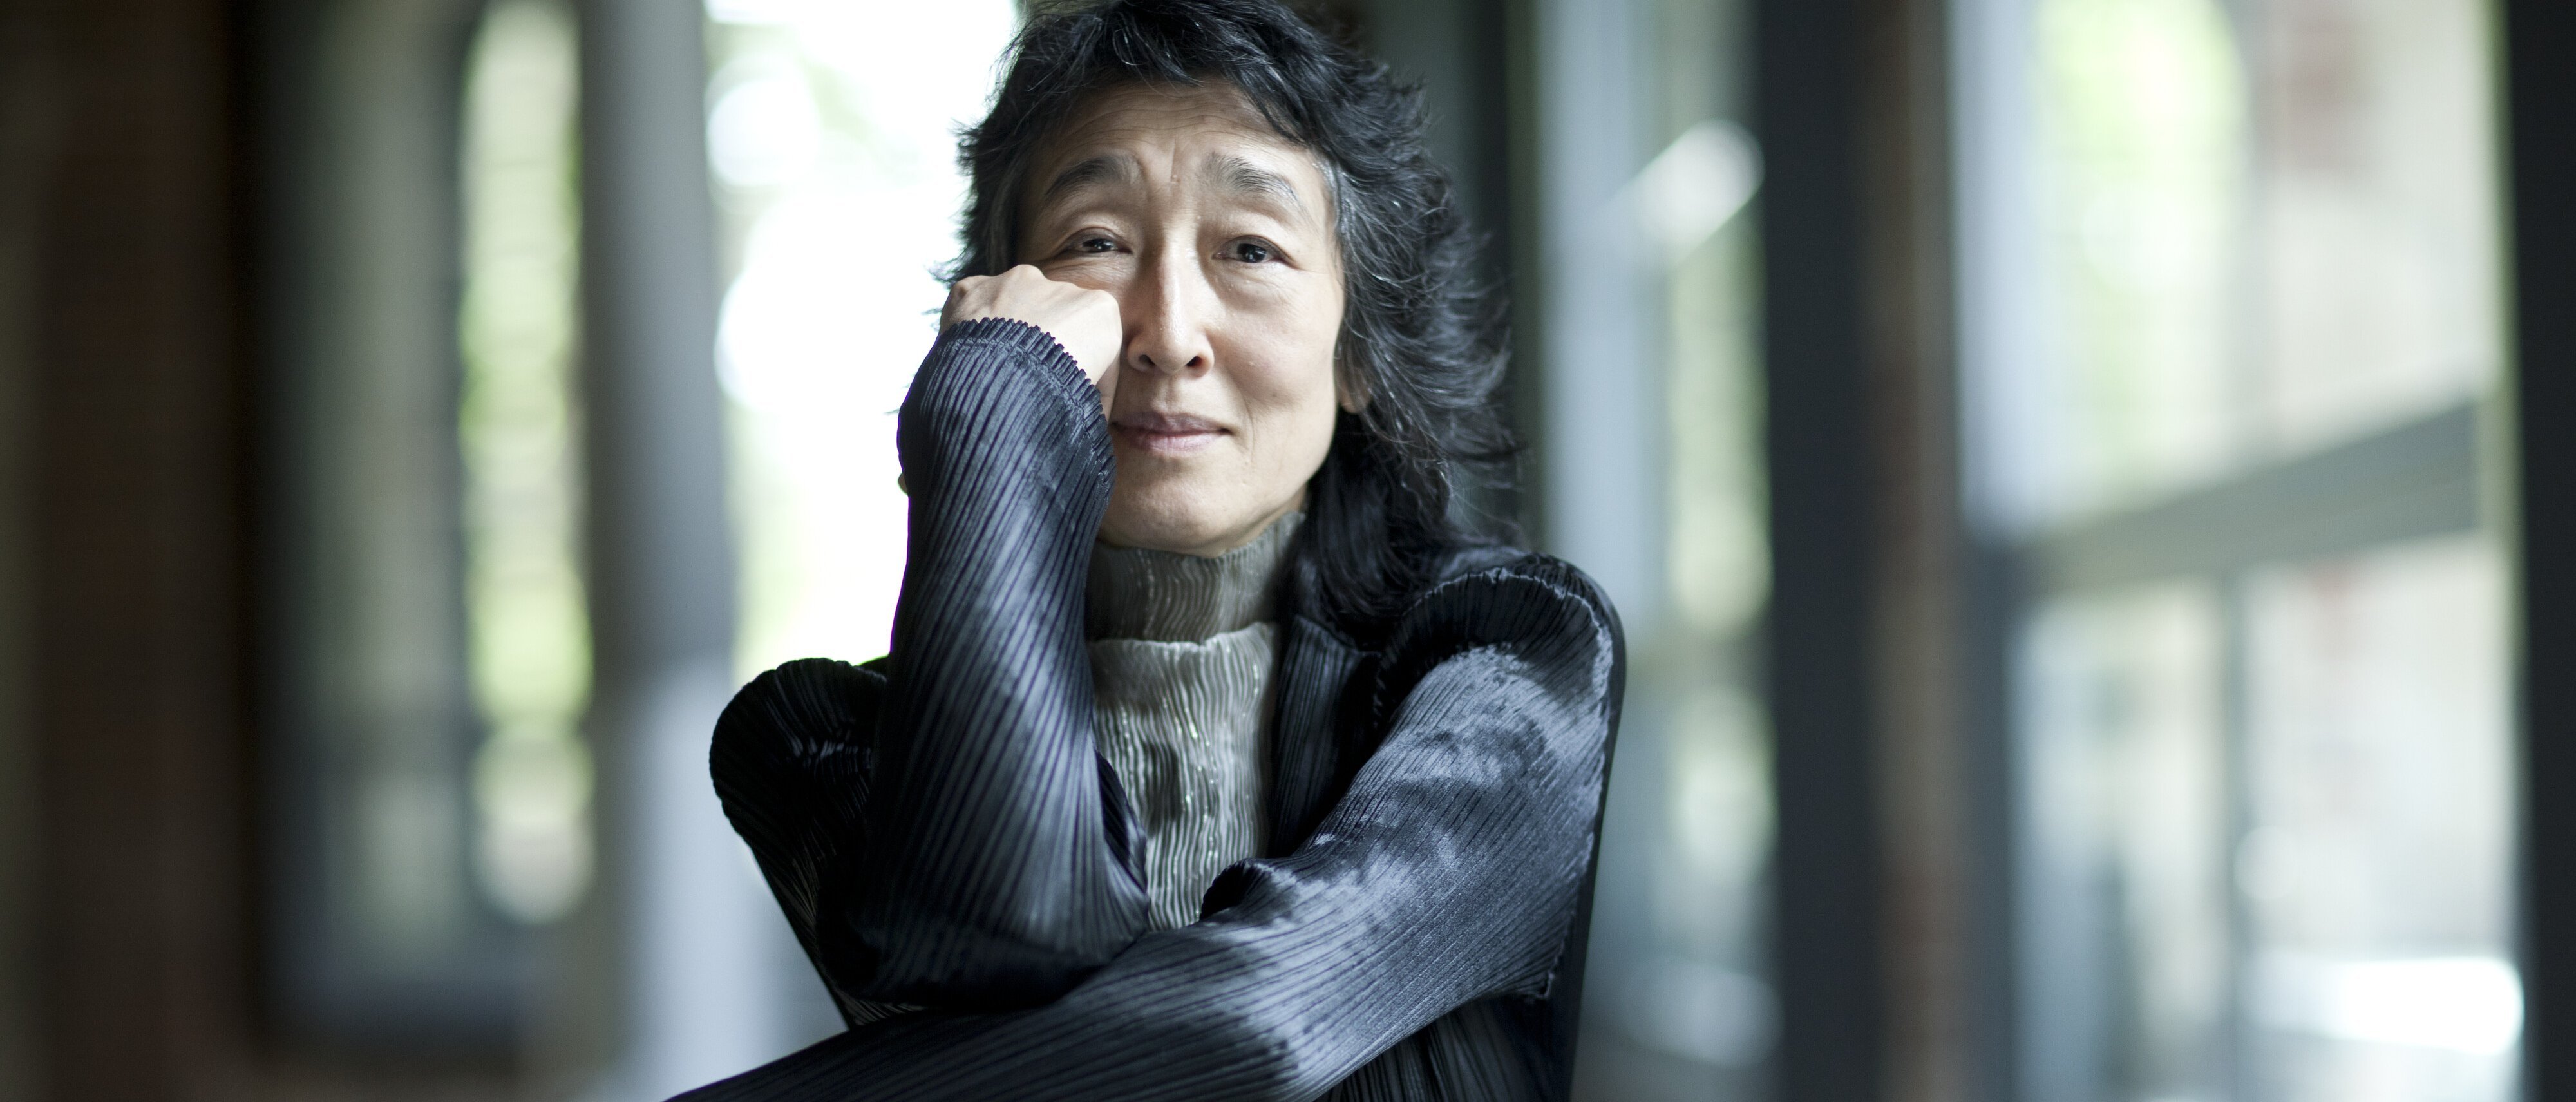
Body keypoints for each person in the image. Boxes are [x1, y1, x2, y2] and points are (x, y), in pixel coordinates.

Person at [684, 1, 1623, 1097]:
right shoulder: (815, 742)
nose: (1169, 334)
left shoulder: (1510, 653)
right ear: (1001, 311)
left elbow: (1259, 1026)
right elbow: (996, 931)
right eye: (1096, 245)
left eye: (1251, 249)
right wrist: (997, 415)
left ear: (1356, 353)